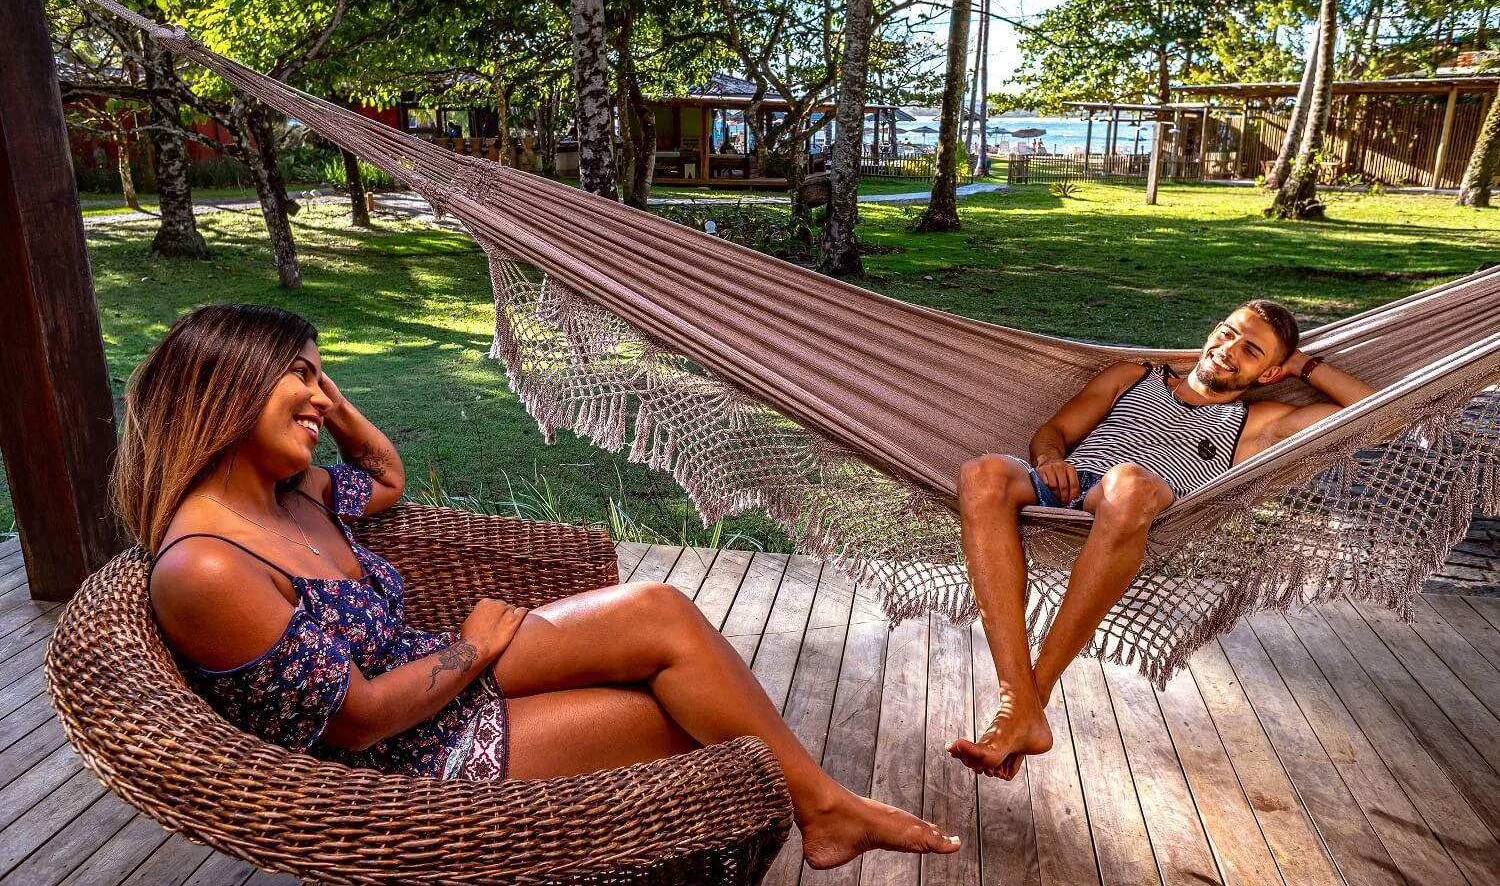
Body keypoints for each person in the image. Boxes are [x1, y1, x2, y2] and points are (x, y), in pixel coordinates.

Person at [119, 304, 959, 870]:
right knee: (677, 719)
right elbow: (360, 720)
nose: (316, 396)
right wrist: (471, 648)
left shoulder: (291, 491)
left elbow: (384, 474)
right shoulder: (206, 567)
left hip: (434, 681)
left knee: (659, 612)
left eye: (319, 379)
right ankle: (821, 811)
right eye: (300, 376)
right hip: (403, 763)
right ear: (225, 385)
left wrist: (323, 404)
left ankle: (823, 808)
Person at [948, 300, 1374, 779]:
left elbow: (1376, 414)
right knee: (981, 473)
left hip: (1132, 502)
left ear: (1271, 372)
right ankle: (1020, 705)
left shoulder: (1256, 423)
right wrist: (1050, 459)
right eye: (1227, 332)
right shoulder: (1134, 374)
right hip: (1068, 483)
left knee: (1131, 483)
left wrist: (1302, 364)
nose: (1228, 349)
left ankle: (1027, 701)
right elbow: (1057, 430)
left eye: (1251, 351)